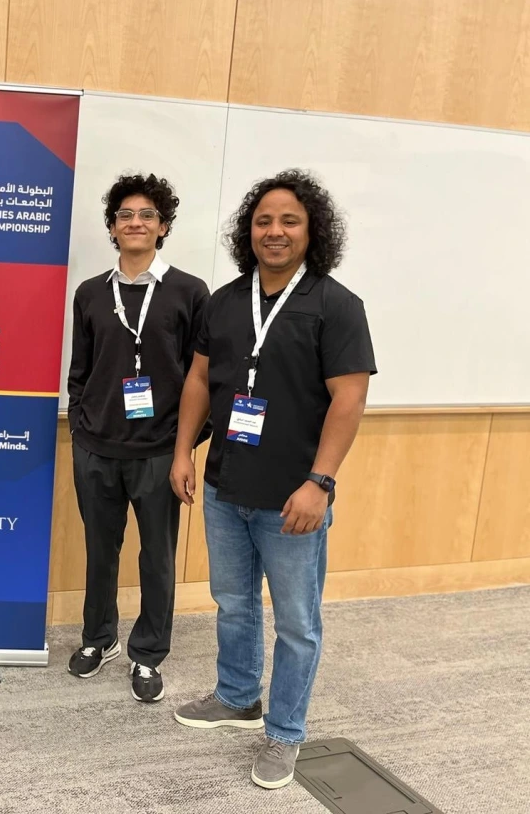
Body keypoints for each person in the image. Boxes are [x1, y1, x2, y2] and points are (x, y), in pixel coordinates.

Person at [170, 170, 375, 789]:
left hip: (294, 498)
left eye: (289, 221)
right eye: (263, 221)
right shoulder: (227, 301)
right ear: (248, 231)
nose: (275, 231)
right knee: (232, 603)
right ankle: (237, 696)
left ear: (313, 231)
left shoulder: (335, 305)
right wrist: (184, 452)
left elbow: (350, 398)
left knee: (296, 622)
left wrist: (321, 482)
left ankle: (284, 733)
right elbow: (201, 381)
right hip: (226, 487)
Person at [65, 174, 210, 702]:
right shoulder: (89, 293)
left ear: (163, 226)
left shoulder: (190, 292)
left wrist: (185, 446)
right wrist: (82, 429)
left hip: (159, 452)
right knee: (100, 550)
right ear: (112, 228)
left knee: (158, 558)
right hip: (97, 448)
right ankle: (98, 638)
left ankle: (148, 653)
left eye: (147, 215)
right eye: (125, 215)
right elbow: (79, 372)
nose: (136, 222)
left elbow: (205, 375)